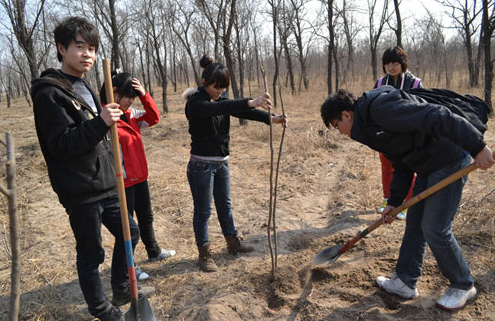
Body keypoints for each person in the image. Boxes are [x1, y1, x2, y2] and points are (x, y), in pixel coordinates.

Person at [320, 87, 494, 311]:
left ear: (346, 114)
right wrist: (394, 202)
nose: (340, 131)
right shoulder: (367, 128)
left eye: (336, 126)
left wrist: (477, 147)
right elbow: (400, 162)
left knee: (435, 227)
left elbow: (437, 115)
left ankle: (463, 284)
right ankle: (405, 281)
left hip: (449, 156)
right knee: (414, 224)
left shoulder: (381, 109)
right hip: (425, 164)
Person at [31, 17, 153, 321]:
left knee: (131, 232)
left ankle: (122, 288)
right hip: (79, 189)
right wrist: (102, 122)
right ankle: (101, 309)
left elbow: (97, 132)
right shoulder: (50, 93)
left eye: (92, 49)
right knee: (91, 253)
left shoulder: (83, 84)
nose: (88, 54)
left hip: (105, 182)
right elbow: (61, 144)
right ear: (62, 48)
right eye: (80, 47)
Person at [183, 54, 288, 272]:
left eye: (223, 87)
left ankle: (232, 243)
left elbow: (240, 110)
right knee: (203, 211)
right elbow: (219, 109)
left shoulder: (220, 101)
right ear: (204, 83)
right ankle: (204, 254)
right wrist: (250, 101)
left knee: (225, 206)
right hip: (201, 165)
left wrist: (272, 119)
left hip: (222, 163)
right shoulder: (196, 103)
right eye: (216, 87)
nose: (220, 92)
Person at [100, 73, 176, 281]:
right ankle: (129, 266)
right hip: (122, 180)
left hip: (140, 176)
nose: (130, 100)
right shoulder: (104, 117)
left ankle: (153, 251)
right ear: (113, 92)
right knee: (128, 226)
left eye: (133, 96)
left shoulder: (131, 114)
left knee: (146, 217)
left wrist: (144, 95)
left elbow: (153, 118)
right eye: (127, 95)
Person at [374, 46, 423, 219]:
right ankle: (388, 199)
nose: (392, 67)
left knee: (407, 167)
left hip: (408, 135)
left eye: (395, 63)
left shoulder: (415, 83)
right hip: (385, 135)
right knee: (387, 167)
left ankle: (406, 203)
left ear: (403, 64)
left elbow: (422, 108)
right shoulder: (380, 83)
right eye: (388, 63)